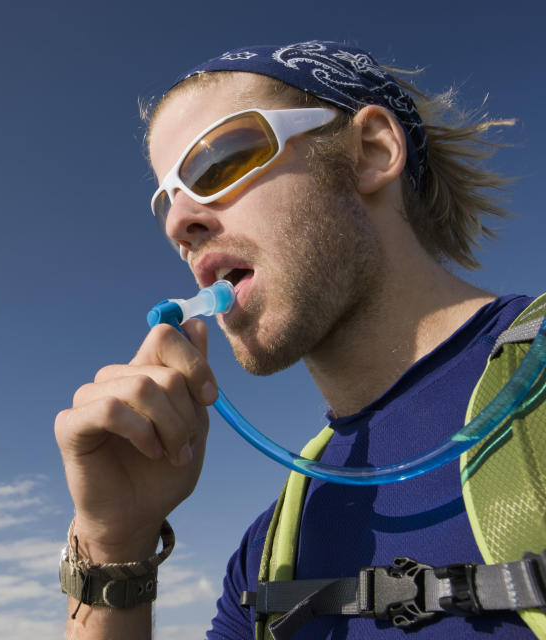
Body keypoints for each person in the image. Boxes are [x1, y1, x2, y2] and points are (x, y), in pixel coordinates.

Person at [54, 40, 541, 639]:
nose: (181, 223)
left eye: (217, 161)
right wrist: (113, 547)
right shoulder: (268, 554)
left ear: (372, 151)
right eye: (166, 202)